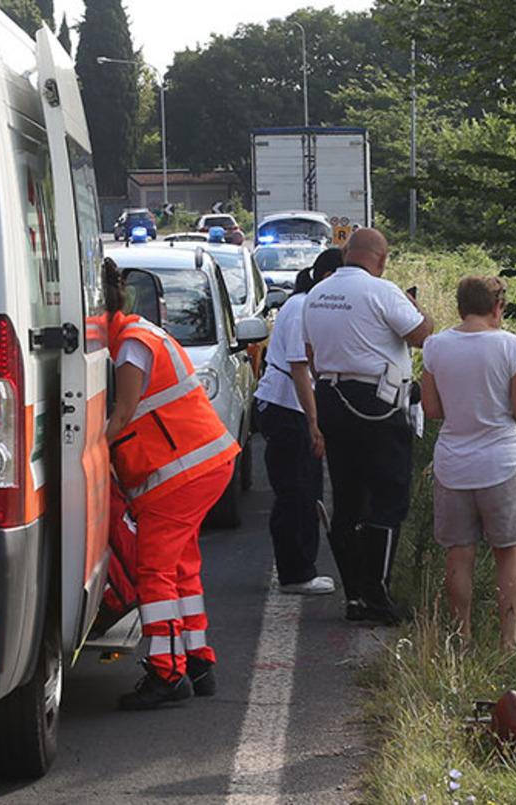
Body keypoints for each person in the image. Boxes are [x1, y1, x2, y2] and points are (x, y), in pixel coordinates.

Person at [103, 258, 240, 709]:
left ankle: (167, 673)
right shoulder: (142, 332)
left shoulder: (129, 346)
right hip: (202, 464)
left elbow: (122, 414)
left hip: (178, 473)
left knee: (154, 571)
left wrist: (86, 454)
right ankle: (198, 662)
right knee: (181, 569)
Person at [293, 229, 433, 625]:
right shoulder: (383, 290)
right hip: (377, 402)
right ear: (382, 258)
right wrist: (412, 304)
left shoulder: (317, 294)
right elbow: (423, 335)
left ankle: (354, 595)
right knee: (389, 497)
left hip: (332, 397)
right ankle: (377, 593)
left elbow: (311, 355)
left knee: (347, 499)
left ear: (345, 253)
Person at [420, 276, 516, 650]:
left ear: (459, 307)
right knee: (508, 552)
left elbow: (432, 409)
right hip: (503, 461)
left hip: (453, 464)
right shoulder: (511, 347)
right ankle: (508, 639)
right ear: (497, 307)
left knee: (459, 552)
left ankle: (462, 636)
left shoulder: (436, 347)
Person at [254, 248, 343, 595]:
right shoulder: (301, 307)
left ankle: (300, 567)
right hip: (286, 409)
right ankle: (295, 573)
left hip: (292, 407)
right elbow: (299, 367)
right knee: (295, 492)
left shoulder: (309, 306)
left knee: (306, 490)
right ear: (325, 277)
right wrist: (313, 422)